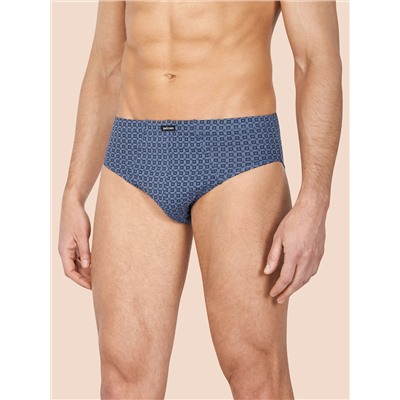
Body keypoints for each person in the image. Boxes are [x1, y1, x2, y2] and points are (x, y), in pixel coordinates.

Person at [58, 1, 342, 398]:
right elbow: (106, 65)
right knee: (122, 379)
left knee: (255, 372)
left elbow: (315, 60)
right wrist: (73, 193)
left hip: (237, 153)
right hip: (133, 154)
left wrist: (315, 201)